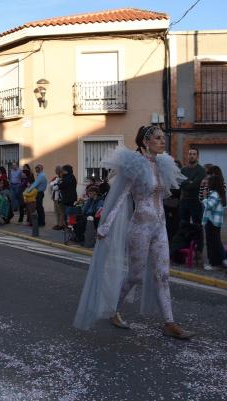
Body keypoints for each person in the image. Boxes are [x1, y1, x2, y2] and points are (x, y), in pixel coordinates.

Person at [74, 125, 194, 340]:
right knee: (136, 275)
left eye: (162, 138)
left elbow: (163, 195)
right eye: (157, 138)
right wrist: (107, 224)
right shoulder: (135, 164)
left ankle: (169, 322)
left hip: (160, 226)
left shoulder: (163, 164)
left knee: (163, 274)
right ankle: (114, 310)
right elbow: (121, 196)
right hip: (140, 226)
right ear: (146, 142)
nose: (162, 141)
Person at [179, 147, 205, 252]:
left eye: (194, 154)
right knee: (183, 224)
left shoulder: (201, 170)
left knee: (197, 225)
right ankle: (183, 246)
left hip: (196, 201)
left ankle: (198, 249)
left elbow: (195, 185)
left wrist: (188, 183)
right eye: (190, 154)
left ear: (197, 156)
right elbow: (180, 183)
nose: (192, 156)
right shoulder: (183, 170)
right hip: (184, 200)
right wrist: (188, 182)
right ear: (187, 155)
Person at [202, 175, 227, 271]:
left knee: (212, 243)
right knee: (215, 242)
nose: (207, 184)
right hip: (215, 221)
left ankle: (213, 263)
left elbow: (209, 206)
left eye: (208, 182)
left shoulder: (214, 194)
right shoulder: (218, 193)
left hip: (212, 221)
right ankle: (217, 262)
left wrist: (205, 197)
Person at [49, 166, 63, 230]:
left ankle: (61, 224)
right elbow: (50, 184)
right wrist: (54, 184)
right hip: (55, 197)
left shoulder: (62, 178)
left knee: (60, 211)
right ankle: (58, 224)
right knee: (56, 211)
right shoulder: (56, 178)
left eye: (56, 170)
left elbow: (56, 187)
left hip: (59, 197)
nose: (55, 171)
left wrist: (54, 185)